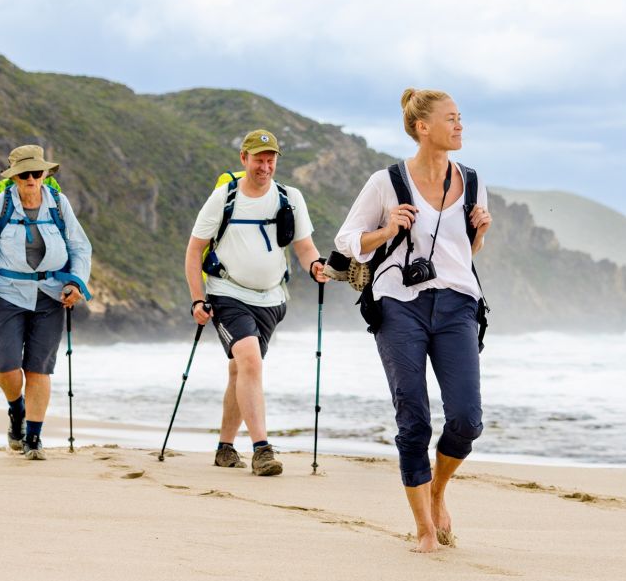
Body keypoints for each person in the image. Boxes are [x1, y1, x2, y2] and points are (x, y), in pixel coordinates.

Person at [335, 89, 493, 553]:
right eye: (451, 118)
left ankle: (439, 489)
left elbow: (463, 254)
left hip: (458, 303)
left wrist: (478, 233)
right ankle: (424, 527)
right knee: (414, 419)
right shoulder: (386, 181)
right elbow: (347, 240)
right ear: (423, 127)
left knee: (467, 419)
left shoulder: (473, 180)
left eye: (461, 118)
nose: (460, 125)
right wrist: (386, 230)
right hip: (398, 304)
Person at [185, 129, 328, 477]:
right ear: (244, 159)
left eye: (270, 159)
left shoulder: (289, 197)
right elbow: (193, 251)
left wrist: (315, 265)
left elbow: (304, 245)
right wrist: (197, 299)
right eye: (258, 159)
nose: (264, 166)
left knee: (240, 370)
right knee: (250, 361)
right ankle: (262, 449)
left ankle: (224, 447)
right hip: (228, 293)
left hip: (273, 299)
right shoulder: (224, 198)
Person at [0, 144, 92, 459]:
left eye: (37, 173)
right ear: (14, 177)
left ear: (45, 174)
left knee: (38, 369)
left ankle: (33, 439)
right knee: (6, 366)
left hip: (51, 294)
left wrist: (76, 283)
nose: (31, 179)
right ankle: (16, 409)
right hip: (8, 292)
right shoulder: (2, 204)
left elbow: (80, 248)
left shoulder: (59, 204)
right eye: (24, 174)